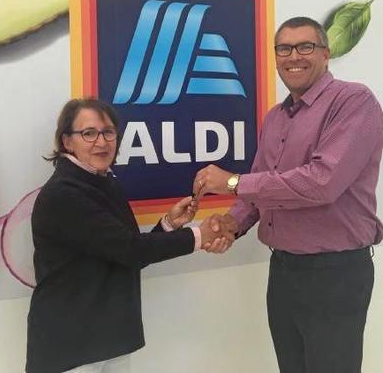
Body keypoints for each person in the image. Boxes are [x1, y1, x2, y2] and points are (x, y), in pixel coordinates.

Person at [194, 16, 383, 373]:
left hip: (335, 272)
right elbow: (261, 186)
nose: (293, 56)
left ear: (326, 54)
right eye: (284, 48)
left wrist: (232, 183)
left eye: (305, 47)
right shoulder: (277, 117)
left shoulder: (353, 101)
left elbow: (320, 183)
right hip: (283, 270)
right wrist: (231, 224)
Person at [26, 98, 232, 373]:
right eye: (88, 133)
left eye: (108, 132)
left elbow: (126, 253)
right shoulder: (64, 193)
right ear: (67, 141)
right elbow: (131, 249)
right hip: (71, 348)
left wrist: (168, 224)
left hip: (109, 340)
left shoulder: (103, 180)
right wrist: (199, 235)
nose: (101, 142)